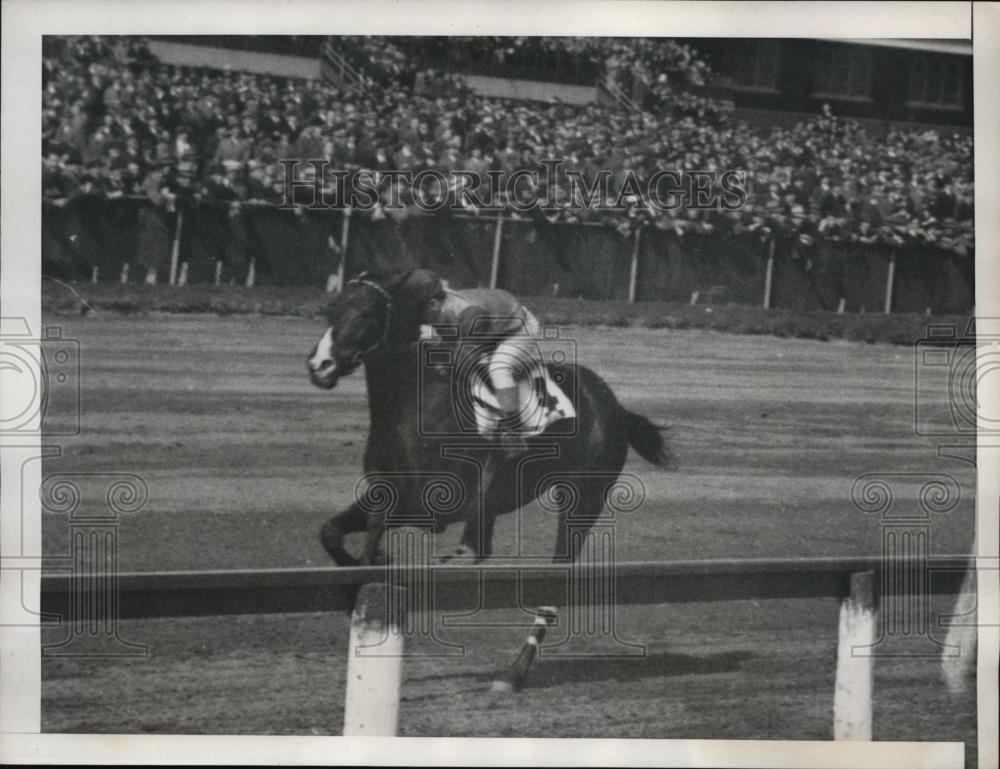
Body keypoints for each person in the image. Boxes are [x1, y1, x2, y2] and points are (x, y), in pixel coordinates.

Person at [407, 269, 544, 453]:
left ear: (433, 304)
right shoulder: (439, 307)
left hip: (517, 328)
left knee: (498, 368)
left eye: (418, 309)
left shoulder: (470, 314)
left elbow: (464, 364)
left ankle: (513, 431)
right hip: (488, 325)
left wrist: (438, 343)